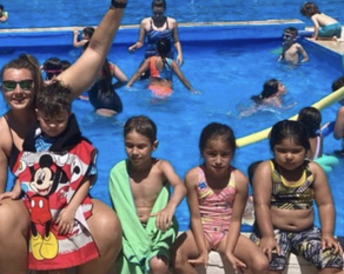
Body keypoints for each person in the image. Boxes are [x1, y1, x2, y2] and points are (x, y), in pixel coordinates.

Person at [0, 0, 127, 274]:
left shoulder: (54, 99)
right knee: (0, 216)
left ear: (38, 84)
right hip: (30, 204)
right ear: (2, 89)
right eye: (10, 85)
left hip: (67, 199)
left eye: (25, 84)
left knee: (108, 224)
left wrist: (118, 4)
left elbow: (96, 50)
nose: (18, 91)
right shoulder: (0, 131)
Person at [0, 81, 100, 273]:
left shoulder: (79, 145)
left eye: (60, 121)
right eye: (47, 120)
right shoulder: (33, 142)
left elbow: (87, 178)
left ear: (69, 116)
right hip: (39, 210)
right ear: (38, 114)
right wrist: (15, 191)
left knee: (58, 265)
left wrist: (71, 210)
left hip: (63, 210)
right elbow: (25, 170)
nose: (53, 125)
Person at [172, 123, 268, 274]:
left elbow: (236, 220)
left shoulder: (239, 180)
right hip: (201, 232)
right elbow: (195, 218)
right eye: (212, 154)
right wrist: (203, 251)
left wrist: (229, 251)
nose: (218, 160)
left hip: (226, 234)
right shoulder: (193, 178)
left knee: (261, 263)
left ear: (232, 153)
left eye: (224, 154)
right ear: (202, 152)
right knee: (176, 258)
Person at [251, 120, 343, 274]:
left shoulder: (313, 171)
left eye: (296, 151)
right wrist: (267, 236)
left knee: (334, 264)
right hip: (273, 230)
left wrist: (327, 234)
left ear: (307, 150)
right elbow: (261, 205)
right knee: (269, 266)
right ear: (273, 149)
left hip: (306, 231)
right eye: (282, 150)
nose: (289, 156)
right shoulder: (266, 170)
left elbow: (325, 204)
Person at [109, 116, 186, 274]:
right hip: (129, 232)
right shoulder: (119, 172)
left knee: (158, 264)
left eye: (141, 146)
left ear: (154, 146)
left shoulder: (161, 167)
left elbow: (180, 186)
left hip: (158, 230)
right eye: (129, 146)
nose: (134, 152)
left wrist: (170, 207)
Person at [126, 38, 195, 98]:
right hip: (166, 90)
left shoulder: (150, 60)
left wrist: (129, 85)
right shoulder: (172, 63)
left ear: (156, 49)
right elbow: (182, 78)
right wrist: (192, 90)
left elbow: (138, 73)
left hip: (152, 88)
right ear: (169, 50)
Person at [128, 0, 183, 65]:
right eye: (155, 13)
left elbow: (176, 41)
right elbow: (140, 42)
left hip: (167, 57)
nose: (157, 15)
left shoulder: (172, 22)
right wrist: (135, 46)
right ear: (152, 10)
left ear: (165, 10)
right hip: (150, 57)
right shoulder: (145, 23)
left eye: (160, 13)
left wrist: (180, 54)